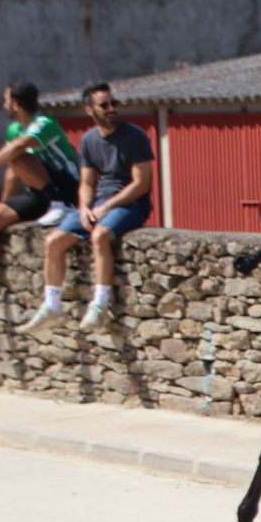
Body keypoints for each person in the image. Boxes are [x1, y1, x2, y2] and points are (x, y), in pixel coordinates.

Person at [16, 82, 154, 334]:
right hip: (100, 203)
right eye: (104, 105)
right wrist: (84, 208)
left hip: (131, 204)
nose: (111, 109)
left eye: (114, 104)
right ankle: (51, 305)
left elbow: (141, 184)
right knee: (54, 241)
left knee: (100, 235)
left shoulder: (135, 137)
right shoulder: (89, 140)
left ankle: (100, 304)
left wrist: (106, 208)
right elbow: (88, 182)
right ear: (89, 109)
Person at [0, 79, 82, 315]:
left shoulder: (44, 123)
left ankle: (61, 204)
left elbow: (18, 151)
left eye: (6, 100)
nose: (3, 104)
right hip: (39, 194)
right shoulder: (14, 130)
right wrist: (6, 206)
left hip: (68, 189)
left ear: (15, 104)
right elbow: (14, 173)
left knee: (16, 154)